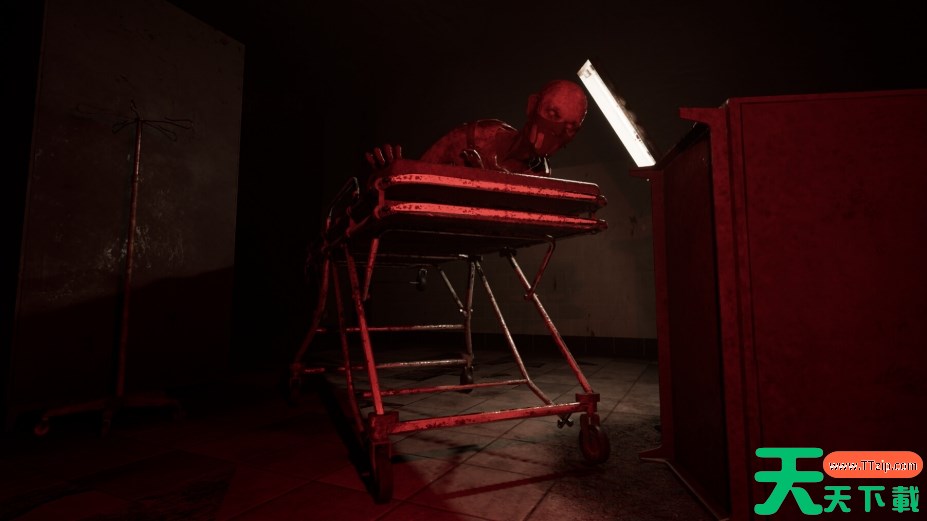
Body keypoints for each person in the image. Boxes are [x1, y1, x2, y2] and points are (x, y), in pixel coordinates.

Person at [366, 79, 588, 177]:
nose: (558, 130)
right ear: (532, 106)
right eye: (553, 114)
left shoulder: (539, 179)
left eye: (570, 127)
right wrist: (393, 173)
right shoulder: (477, 137)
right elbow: (419, 174)